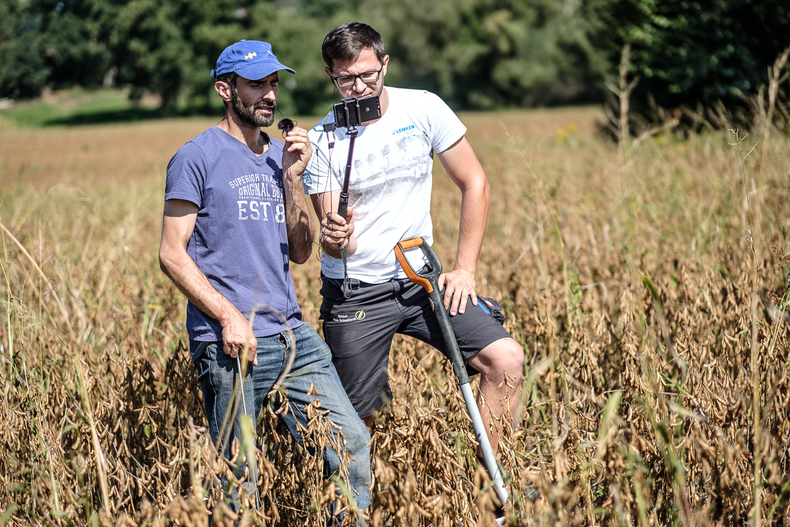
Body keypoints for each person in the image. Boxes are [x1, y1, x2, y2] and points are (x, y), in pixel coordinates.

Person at [158, 40, 371, 520]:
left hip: (291, 332)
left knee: (350, 445)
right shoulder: (196, 157)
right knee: (238, 477)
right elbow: (171, 254)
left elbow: (300, 251)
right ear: (225, 89)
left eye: (274, 84)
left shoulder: (281, 155)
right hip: (229, 340)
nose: (270, 95)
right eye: (257, 84)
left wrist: (294, 178)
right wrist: (230, 317)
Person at [303, 23, 525, 461]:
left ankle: (491, 488)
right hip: (356, 292)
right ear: (330, 75)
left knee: (506, 360)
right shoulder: (321, 140)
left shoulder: (422, 108)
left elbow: (474, 182)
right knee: (356, 420)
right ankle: (361, 503)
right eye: (346, 79)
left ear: (384, 63)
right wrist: (334, 236)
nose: (359, 87)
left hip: (421, 278)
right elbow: (332, 245)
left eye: (368, 74)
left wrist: (465, 269)